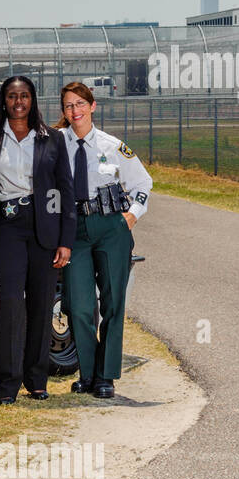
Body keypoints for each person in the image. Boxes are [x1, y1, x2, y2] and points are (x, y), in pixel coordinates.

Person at [0, 76, 75, 405]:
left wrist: (66, 240)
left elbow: (66, 191)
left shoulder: (52, 139)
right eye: (11, 96)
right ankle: (7, 385)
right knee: (9, 304)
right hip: (6, 226)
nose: (18, 102)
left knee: (40, 304)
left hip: (44, 228)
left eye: (24, 96)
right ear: (3, 101)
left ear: (32, 100)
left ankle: (37, 380)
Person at [55, 82, 153, 399]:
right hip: (74, 229)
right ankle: (87, 373)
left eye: (81, 104)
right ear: (64, 111)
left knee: (112, 303)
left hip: (111, 228)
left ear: (93, 106)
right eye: (69, 105)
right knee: (79, 305)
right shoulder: (56, 145)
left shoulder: (112, 146)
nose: (75, 111)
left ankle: (105, 376)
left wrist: (131, 216)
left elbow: (142, 182)